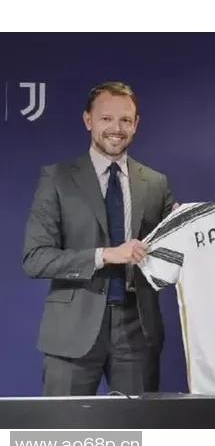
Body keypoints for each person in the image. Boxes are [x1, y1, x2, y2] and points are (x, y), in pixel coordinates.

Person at [23, 81, 178, 396]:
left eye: (125, 120)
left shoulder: (156, 183)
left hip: (137, 330)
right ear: (88, 120)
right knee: (63, 425)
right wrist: (105, 255)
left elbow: (172, 256)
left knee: (137, 425)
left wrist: (184, 229)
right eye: (106, 118)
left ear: (136, 124)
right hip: (72, 331)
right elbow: (35, 259)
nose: (116, 129)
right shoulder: (57, 179)